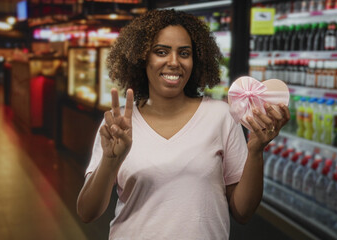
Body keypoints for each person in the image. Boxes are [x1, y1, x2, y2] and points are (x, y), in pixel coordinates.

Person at [77, 9, 290, 239]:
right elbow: (87, 212)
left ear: (195, 59)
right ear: (141, 58)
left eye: (184, 53)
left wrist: (256, 152)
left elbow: (243, 212)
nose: (174, 62)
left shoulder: (220, 116)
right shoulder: (119, 124)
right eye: (161, 52)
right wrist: (110, 161)